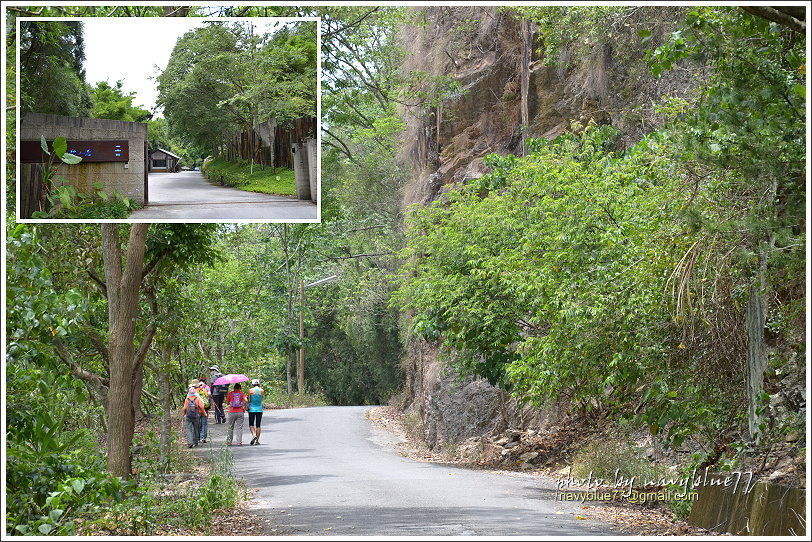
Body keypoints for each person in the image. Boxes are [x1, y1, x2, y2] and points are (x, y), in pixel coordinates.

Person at [182, 381, 205, 448]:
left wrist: (184, 414)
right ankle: (195, 442)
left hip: (188, 416)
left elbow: (184, 408)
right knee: (196, 428)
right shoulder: (197, 399)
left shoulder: (187, 399)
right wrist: (203, 413)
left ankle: (190, 442)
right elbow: (202, 407)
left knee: (189, 429)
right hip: (196, 415)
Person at [247, 378, 265, 445]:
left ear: (252, 384)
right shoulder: (262, 390)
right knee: (258, 425)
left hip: (252, 409)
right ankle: (257, 440)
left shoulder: (250, 390)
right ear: (258, 384)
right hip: (259, 409)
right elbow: (261, 399)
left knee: (251, 424)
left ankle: (254, 435)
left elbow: (249, 400)